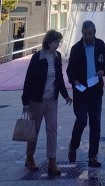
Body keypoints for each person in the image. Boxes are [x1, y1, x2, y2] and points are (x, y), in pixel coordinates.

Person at [21, 29, 72, 175]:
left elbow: (59, 78)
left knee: (52, 130)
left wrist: (66, 96)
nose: (58, 44)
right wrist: (25, 101)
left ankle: (52, 162)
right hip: (36, 100)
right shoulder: (38, 57)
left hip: (51, 101)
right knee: (34, 131)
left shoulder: (57, 57)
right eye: (57, 42)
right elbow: (28, 79)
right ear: (49, 42)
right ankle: (29, 158)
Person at [66, 20, 105, 168]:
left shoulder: (100, 45)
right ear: (82, 33)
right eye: (85, 34)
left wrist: (102, 71)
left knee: (95, 124)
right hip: (81, 91)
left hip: (96, 90)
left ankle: (93, 156)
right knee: (82, 120)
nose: (88, 36)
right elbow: (69, 70)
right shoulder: (76, 49)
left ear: (94, 32)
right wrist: (74, 81)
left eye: (90, 33)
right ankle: (73, 145)